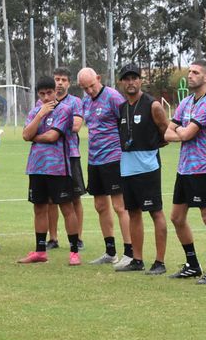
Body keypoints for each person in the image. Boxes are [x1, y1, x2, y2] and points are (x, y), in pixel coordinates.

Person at [164, 60, 206, 284]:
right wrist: (181, 130)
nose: (190, 75)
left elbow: (186, 134)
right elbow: (167, 134)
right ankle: (192, 264)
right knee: (177, 217)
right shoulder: (186, 102)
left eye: (195, 72)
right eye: (189, 71)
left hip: (203, 169)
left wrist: (180, 130)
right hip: (184, 169)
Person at [18, 77, 80, 265]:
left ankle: (74, 252)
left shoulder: (65, 110)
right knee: (39, 208)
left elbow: (53, 136)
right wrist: (40, 116)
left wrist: (34, 137)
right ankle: (40, 251)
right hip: (36, 167)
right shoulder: (35, 112)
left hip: (58, 168)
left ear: (55, 92)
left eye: (49, 93)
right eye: (42, 94)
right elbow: (25, 135)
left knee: (67, 208)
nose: (46, 97)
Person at [115, 64, 169, 274]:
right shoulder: (122, 107)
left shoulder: (153, 105)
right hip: (127, 167)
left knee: (155, 212)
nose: (131, 82)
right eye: (126, 78)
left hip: (147, 166)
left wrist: (152, 146)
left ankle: (160, 262)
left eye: (134, 78)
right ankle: (137, 259)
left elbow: (166, 131)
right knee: (134, 213)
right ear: (121, 83)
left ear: (140, 81)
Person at [76, 68, 133, 267]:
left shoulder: (113, 97)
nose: (89, 91)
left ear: (98, 79)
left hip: (114, 158)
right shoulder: (85, 101)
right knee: (100, 206)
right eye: (85, 88)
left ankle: (130, 252)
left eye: (91, 86)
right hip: (94, 160)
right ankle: (110, 252)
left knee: (119, 206)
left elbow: (125, 123)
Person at [46, 68, 85, 250]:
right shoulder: (46, 102)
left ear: (69, 83)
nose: (59, 83)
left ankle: (77, 238)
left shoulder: (75, 102)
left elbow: (76, 126)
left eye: (63, 80)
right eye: (57, 79)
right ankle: (52, 238)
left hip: (71, 155)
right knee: (51, 200)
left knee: (75, 198)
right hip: (51, 158)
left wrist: (54, 125)